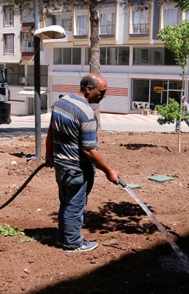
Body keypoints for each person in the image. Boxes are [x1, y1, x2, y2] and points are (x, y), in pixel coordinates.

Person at [45, 73, 119, 252]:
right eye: (102, 92)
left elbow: (51, 131)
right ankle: (73, 243)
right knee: (75, 206)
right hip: (77, 169)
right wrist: (109, 171)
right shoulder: (87, 113)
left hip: (61, 166)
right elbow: (88, 150)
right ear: (89, 90)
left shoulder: (61, 102)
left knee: (66, 201)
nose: (104, 95)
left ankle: (63, 238)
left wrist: (49, 154)